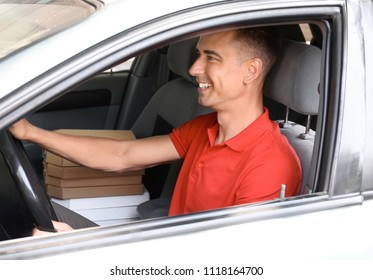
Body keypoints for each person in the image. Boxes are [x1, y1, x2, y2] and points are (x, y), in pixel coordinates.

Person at [10, 27, 302, 235]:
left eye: (211, 57)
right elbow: (122, 155)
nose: (194, 67)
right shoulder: (204, 128)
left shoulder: (270, 165)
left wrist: (80, 255)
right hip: (161, 251)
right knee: (33, 212)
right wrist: (31, 132)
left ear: (251, 71)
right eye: (198, 54)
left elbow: (226, 265)